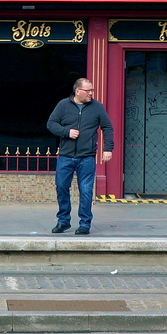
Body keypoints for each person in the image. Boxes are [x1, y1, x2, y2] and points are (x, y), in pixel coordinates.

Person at [46, 77, 113, 235]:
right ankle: (63, 221)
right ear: (77, 91)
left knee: (86, 190)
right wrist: (66, 132)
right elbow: (51, 124)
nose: (91, 93)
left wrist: (108, 148)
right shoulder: (63, 105)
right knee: (62, 187)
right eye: (87, 90)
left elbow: (107, 127)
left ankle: (85, 223)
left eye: (92, 90)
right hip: (65, 156)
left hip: (87, 157)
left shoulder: (97, 107)